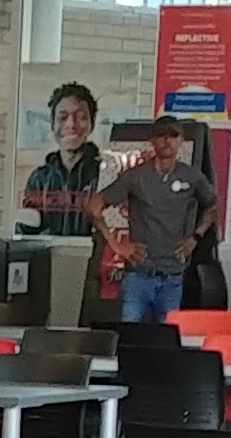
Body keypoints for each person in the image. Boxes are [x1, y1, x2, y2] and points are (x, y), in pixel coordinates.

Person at [93, 115, 218, 323]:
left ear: (181, 140)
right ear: (152, 140)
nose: (167, 140)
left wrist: (196, 236)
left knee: (166, 338)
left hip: (172, 277)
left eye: (173, 135)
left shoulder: (192, 176)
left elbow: (213, 204)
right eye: (161, 135)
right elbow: (93, 205)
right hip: (138, 275)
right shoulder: (135, 176)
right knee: (130, 337)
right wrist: (117, 245)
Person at [19, 82, 107, 238]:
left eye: (80, 117)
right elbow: (27, 234)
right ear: (53, 125)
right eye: (63, 117)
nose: (71, 124)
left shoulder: (104, 176)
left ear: (91, 125)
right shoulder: (39, 179)